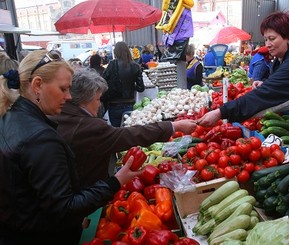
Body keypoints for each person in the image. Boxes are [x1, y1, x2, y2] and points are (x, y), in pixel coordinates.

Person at [0, 50, 141, 244]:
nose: (68, 97)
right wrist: (115, 182)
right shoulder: (41, 140)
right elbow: (65, 208)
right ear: (38, 85)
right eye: (63, 89)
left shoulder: (9, 118)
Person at [50, 68, 197, 188]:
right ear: (85, 100)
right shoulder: (87, 126)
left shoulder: (60, 113)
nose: (100, 104)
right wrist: (173, 126)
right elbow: (130, 135)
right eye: (98, 99)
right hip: (81, 192)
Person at [197, 11, 289, 127]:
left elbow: (265, 95)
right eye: (266, 39)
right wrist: (266, 83)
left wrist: (221, 112)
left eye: (272, 39)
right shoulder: (282, 59)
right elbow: (280, 88)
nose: (268, 44)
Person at [102, 41, 145, 127]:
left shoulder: (112, 65)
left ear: (116, 52)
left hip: (114, 104)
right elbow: (141, 88)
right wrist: (132, 86)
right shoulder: (135, 66)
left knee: (116, 132)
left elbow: (102, 81)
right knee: (128, 131)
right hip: (129, 104)